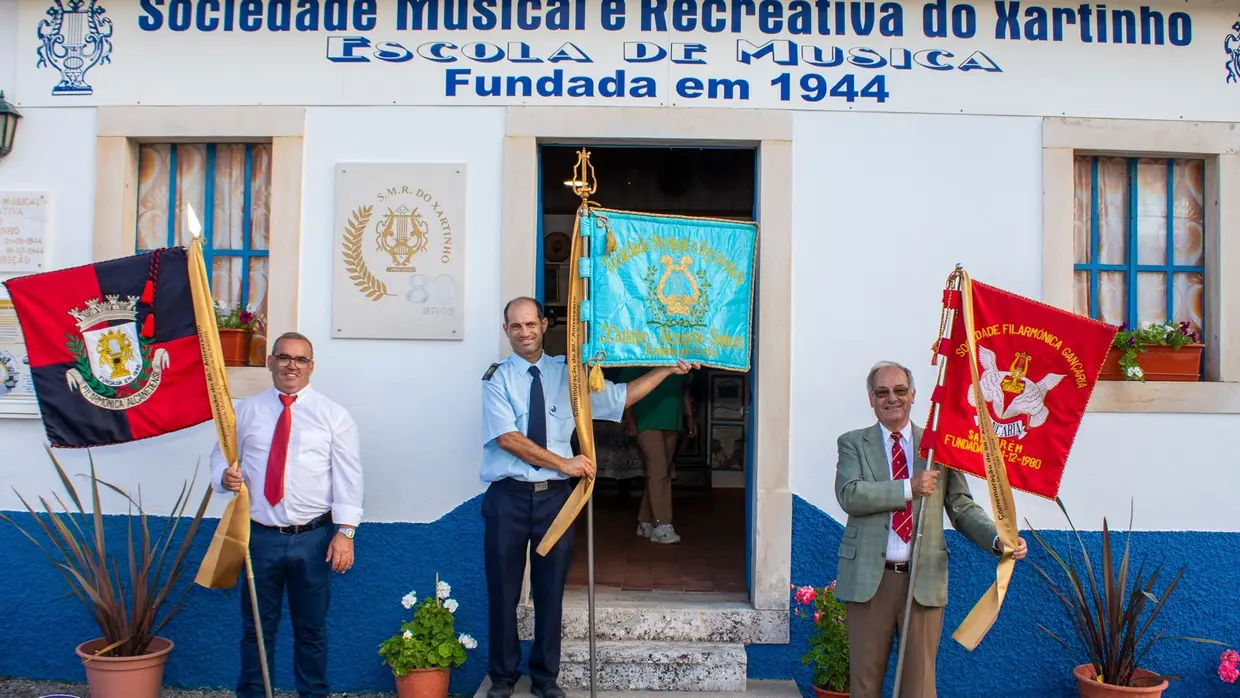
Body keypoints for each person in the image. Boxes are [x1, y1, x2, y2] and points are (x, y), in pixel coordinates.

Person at [481, 297, 698, 698]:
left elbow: (622, 397)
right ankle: (503, 678)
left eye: (531, 324)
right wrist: (566, 464)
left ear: (545, 325)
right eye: (516, 326)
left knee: (550, 592)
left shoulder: (571, 376)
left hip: (555, 502)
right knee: (503, 593)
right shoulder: (497, 378)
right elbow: (509, 439)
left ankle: (545, 678)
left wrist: (667, 369)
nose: (524, 332)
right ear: (506, 329)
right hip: (508, 500)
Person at [832, 360, 1027, 698]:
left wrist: (998, 540)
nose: (892, 398)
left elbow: (962, 507)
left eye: (900, 390)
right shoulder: (852, 443)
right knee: (864, 684)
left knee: (919, 687)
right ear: (871, 399)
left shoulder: (939, 446)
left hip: (921, 580)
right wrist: (909, 487)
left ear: (913, 395)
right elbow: (850, 494)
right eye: (883, 392)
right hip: (868, 581)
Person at [210, 331, 364, 698]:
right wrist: (224, 476)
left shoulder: (333, 416)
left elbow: (349, 476)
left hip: (313, 540)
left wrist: (346, 532)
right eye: (283, 357)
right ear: (270, 363)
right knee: (256, 629)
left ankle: (313, 695)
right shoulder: (245, 411)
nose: (290, 365)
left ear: (311, 367)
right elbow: (220, 456)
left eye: (299, 359)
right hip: (259, 537)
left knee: (311, 629)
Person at [617, 365, 694, 543]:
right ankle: (662, 525)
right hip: (645, 419)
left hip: (672, 420)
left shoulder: (678, 356)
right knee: (658, 470)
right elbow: (625, 390)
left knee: (660, 473)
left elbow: (684, 390)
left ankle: (645, 522)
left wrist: (689, 416)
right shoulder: (643, 353)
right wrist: (629, 419)